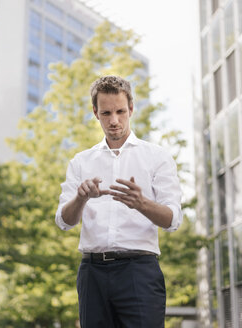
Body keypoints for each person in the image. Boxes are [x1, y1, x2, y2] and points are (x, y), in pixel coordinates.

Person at [55, 75, 183, 327]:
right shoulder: (81, 161)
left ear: (131, 109)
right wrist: (81, 197)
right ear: (95, 113)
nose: (114, 120)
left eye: (120, 111)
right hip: (92, 274)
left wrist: (141, 203)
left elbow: (173, 220)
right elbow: (64, 221)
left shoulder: (157, 157)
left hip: (139, 272)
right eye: (106, 113)